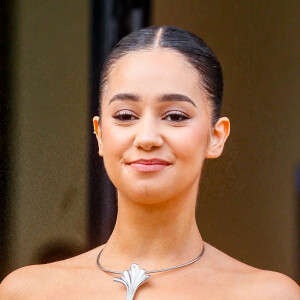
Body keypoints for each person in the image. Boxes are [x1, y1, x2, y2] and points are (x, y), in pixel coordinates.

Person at [1, 25, 299, 299]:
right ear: (100, 135)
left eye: (175, 116)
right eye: (125, 116)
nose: (146, 138)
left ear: (216, 136)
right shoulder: (26, 292)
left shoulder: (269, 294)